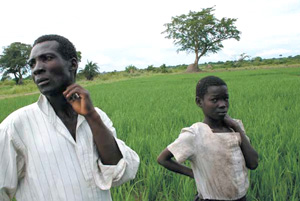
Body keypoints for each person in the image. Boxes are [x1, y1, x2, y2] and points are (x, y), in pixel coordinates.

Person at [0, 34, 139, 201]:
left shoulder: (97, 117)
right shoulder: (15, 126)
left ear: (73, 64)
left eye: (47, 58)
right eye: (32, 63)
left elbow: (119, 172)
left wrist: (91, 116)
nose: (37, 68)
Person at [157, 76, 258, 201]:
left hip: (241, 198)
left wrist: (237, 127)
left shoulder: (235, 128)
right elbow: (162, 159)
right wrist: (194, 174)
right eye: (214, 100)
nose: (222, 104)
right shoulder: (195, 134)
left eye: (225, 99)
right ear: (199, 102)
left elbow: (253, 163)